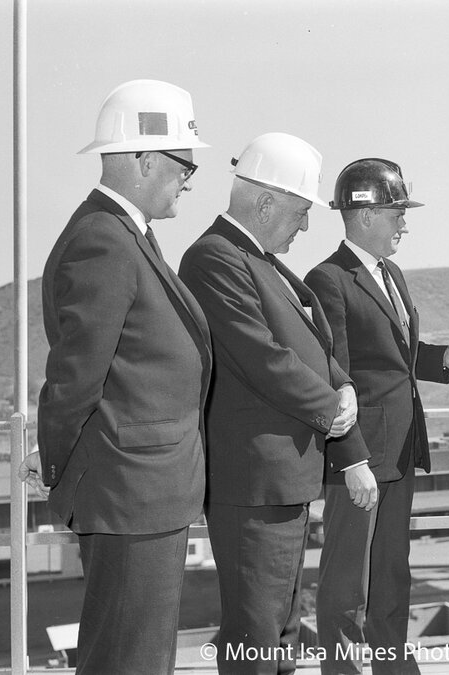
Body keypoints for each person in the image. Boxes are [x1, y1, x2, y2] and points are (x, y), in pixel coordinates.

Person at [19, 79, 212, 674]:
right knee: (129, 660)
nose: (188, 178)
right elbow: (76, 377)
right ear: (145, 159)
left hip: (147, 489)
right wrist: (52, 461)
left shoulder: (125, 235)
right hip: (132, 491)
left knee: (138, 655)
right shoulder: (103, 241)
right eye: (185, 164)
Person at [178, 133, 371, 675]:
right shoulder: (214, 258)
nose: (306, 226)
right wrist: (332, 405)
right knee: (256, 631)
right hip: (255, 481)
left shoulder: (256, 261)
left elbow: (314, 342)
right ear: (265, 203)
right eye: (300, 212)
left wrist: (343, 386)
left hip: (282, 477)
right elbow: (262, 355)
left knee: (279, 629)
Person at [304, 158, 449, 675]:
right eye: (397, 212)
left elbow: (397, 354)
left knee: (393, 575)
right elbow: (334, 375)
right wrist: (350, 457)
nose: (404, 223)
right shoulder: (328, 279)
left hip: (398, 450)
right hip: (360, 456)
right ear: (366, 214)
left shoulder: (389, 273)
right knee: (347, 582)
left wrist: (446, 359)